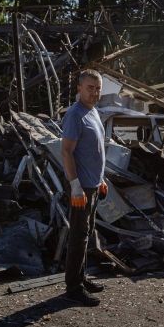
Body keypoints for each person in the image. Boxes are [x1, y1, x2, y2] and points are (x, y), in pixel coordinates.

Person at [61, 69, 108, 306]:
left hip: (93, 185)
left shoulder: (93, 111)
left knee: (86, 234)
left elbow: (94, 150)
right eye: (90, 88)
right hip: (81, 188)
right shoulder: (75, 114)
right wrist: (75, 186)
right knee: (78, 236)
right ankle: (73, 287)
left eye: (98, 88)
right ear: (79, 88)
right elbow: (66, 151)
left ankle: (81, 277)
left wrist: (101, 179)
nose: (94, 93)